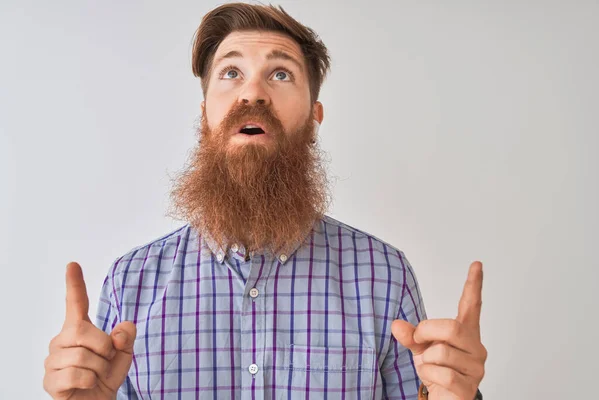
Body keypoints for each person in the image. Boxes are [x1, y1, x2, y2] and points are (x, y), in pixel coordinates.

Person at [43, 3, 486, 399]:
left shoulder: (383, 276)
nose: (252, 93)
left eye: (280, 74)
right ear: (204, 115)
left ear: (314, 116)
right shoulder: (131, 284)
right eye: (231, 73)